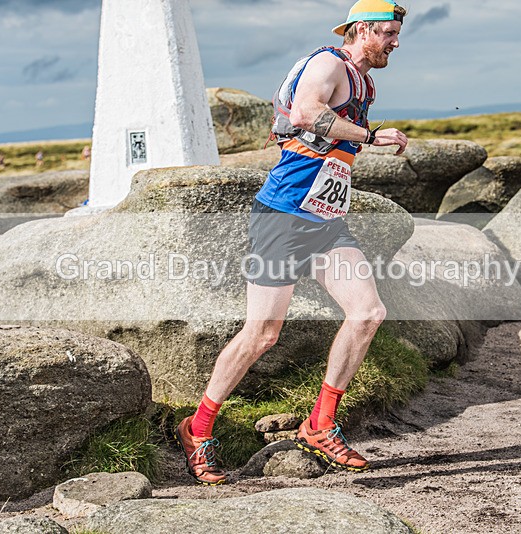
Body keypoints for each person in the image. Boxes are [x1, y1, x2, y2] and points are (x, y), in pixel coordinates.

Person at [175, 0, 408, 485]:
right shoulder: (328, 63)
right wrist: (371, 136)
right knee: (262, 334)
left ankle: (320, 423)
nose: (395, 42)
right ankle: (197, 430)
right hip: (282, 216)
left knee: (368, 313)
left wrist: (360, 142)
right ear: (361, 30)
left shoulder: (366, 81)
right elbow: (305, 113)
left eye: (396, 33)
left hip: (325, 220)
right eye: (387, 32)